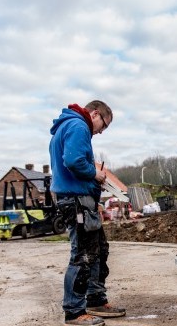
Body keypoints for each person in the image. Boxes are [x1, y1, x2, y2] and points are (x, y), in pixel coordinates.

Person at [49, 100, 125, 326]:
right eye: (103, 125)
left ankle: (95, 299)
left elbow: (72, 162)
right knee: (82, 254)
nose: (101, 131)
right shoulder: (78, 125)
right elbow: (73, 161)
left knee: (98, 249)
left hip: (79, 199)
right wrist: (95, 174)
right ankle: (74, 311)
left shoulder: (68, 127)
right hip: (76, 200)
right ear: (94, 114)